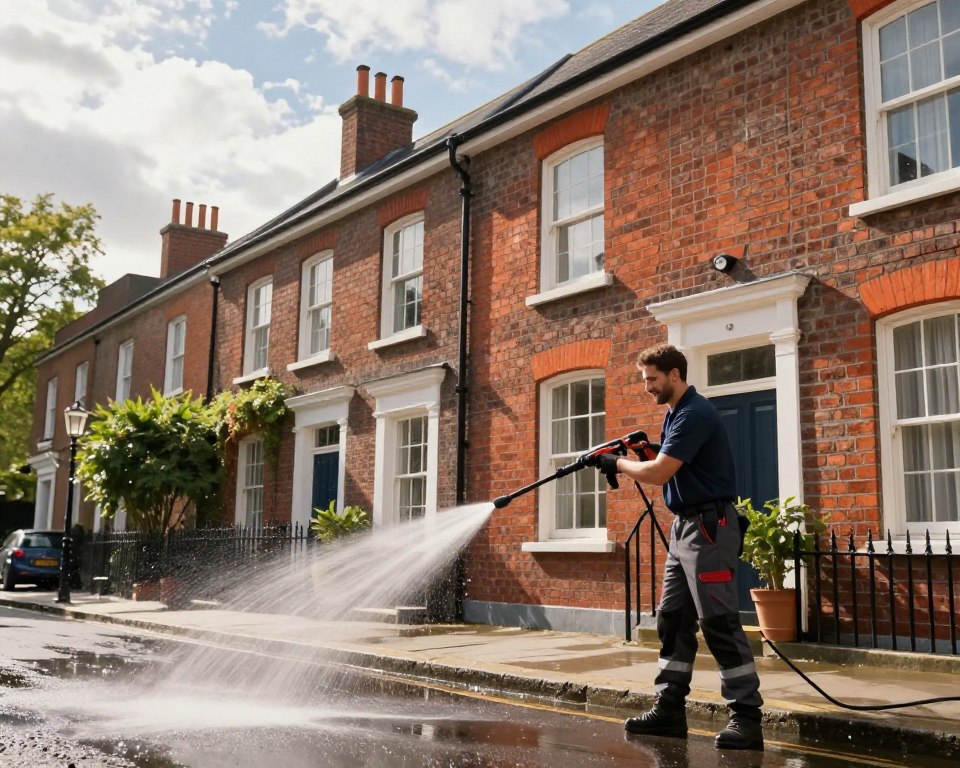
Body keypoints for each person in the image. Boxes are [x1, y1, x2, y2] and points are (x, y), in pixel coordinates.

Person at [586, 344, 763, 751]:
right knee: (672, 619)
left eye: (652, 379)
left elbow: (661, 471)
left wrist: (618, 464)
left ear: (675, 375)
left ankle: (747, 717)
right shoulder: (675, 414)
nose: (647, 387)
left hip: (710, 529)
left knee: (717, 621)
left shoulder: (695, 413)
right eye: (645, 379)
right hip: (685, 527)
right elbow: (675, 467)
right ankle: (669, 710)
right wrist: (644, 450)